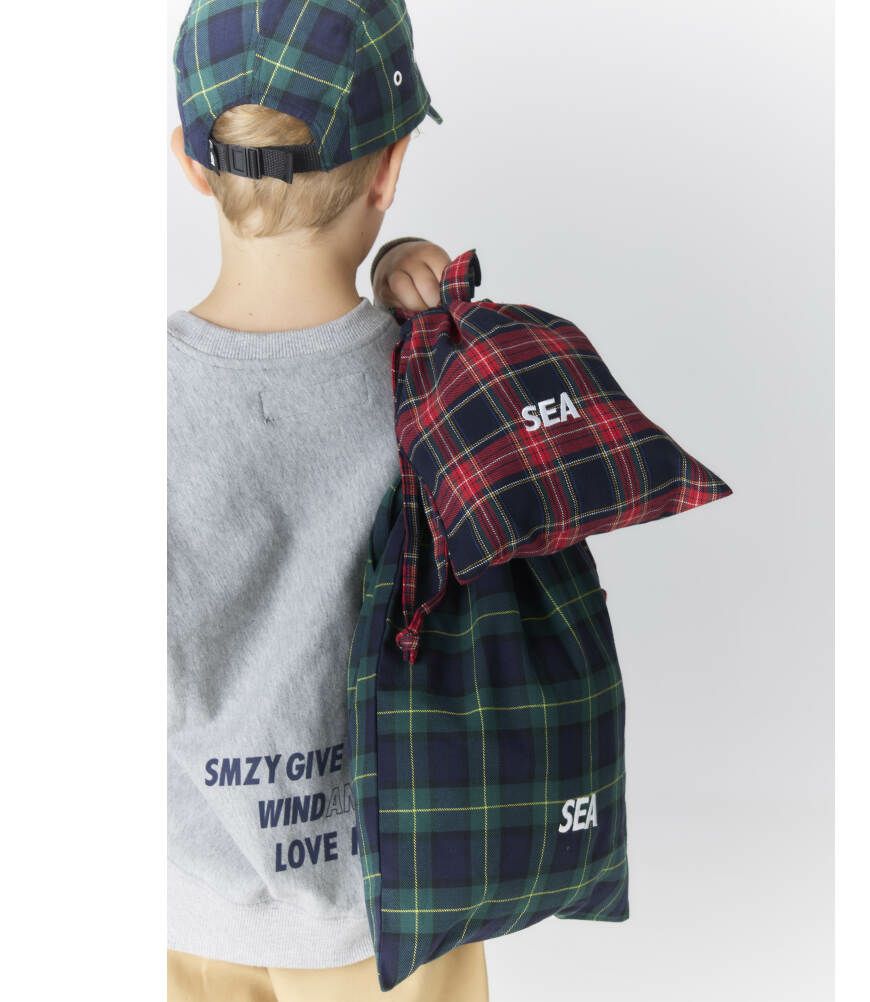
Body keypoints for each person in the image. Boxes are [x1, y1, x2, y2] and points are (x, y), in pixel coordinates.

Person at [167, 1, 487, 997]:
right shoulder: (433, 382)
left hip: (187, 914)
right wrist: (428, 304)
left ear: (191, 163)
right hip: (394, 919)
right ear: (389, 169)